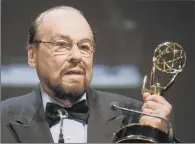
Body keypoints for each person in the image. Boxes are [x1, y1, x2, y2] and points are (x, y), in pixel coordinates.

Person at [1, 6, 178, 143]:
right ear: (32, 55)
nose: (77, 56)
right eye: (62, 45)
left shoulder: (136, 118)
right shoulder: (3, 118)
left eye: (85, 47)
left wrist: (157, 136)